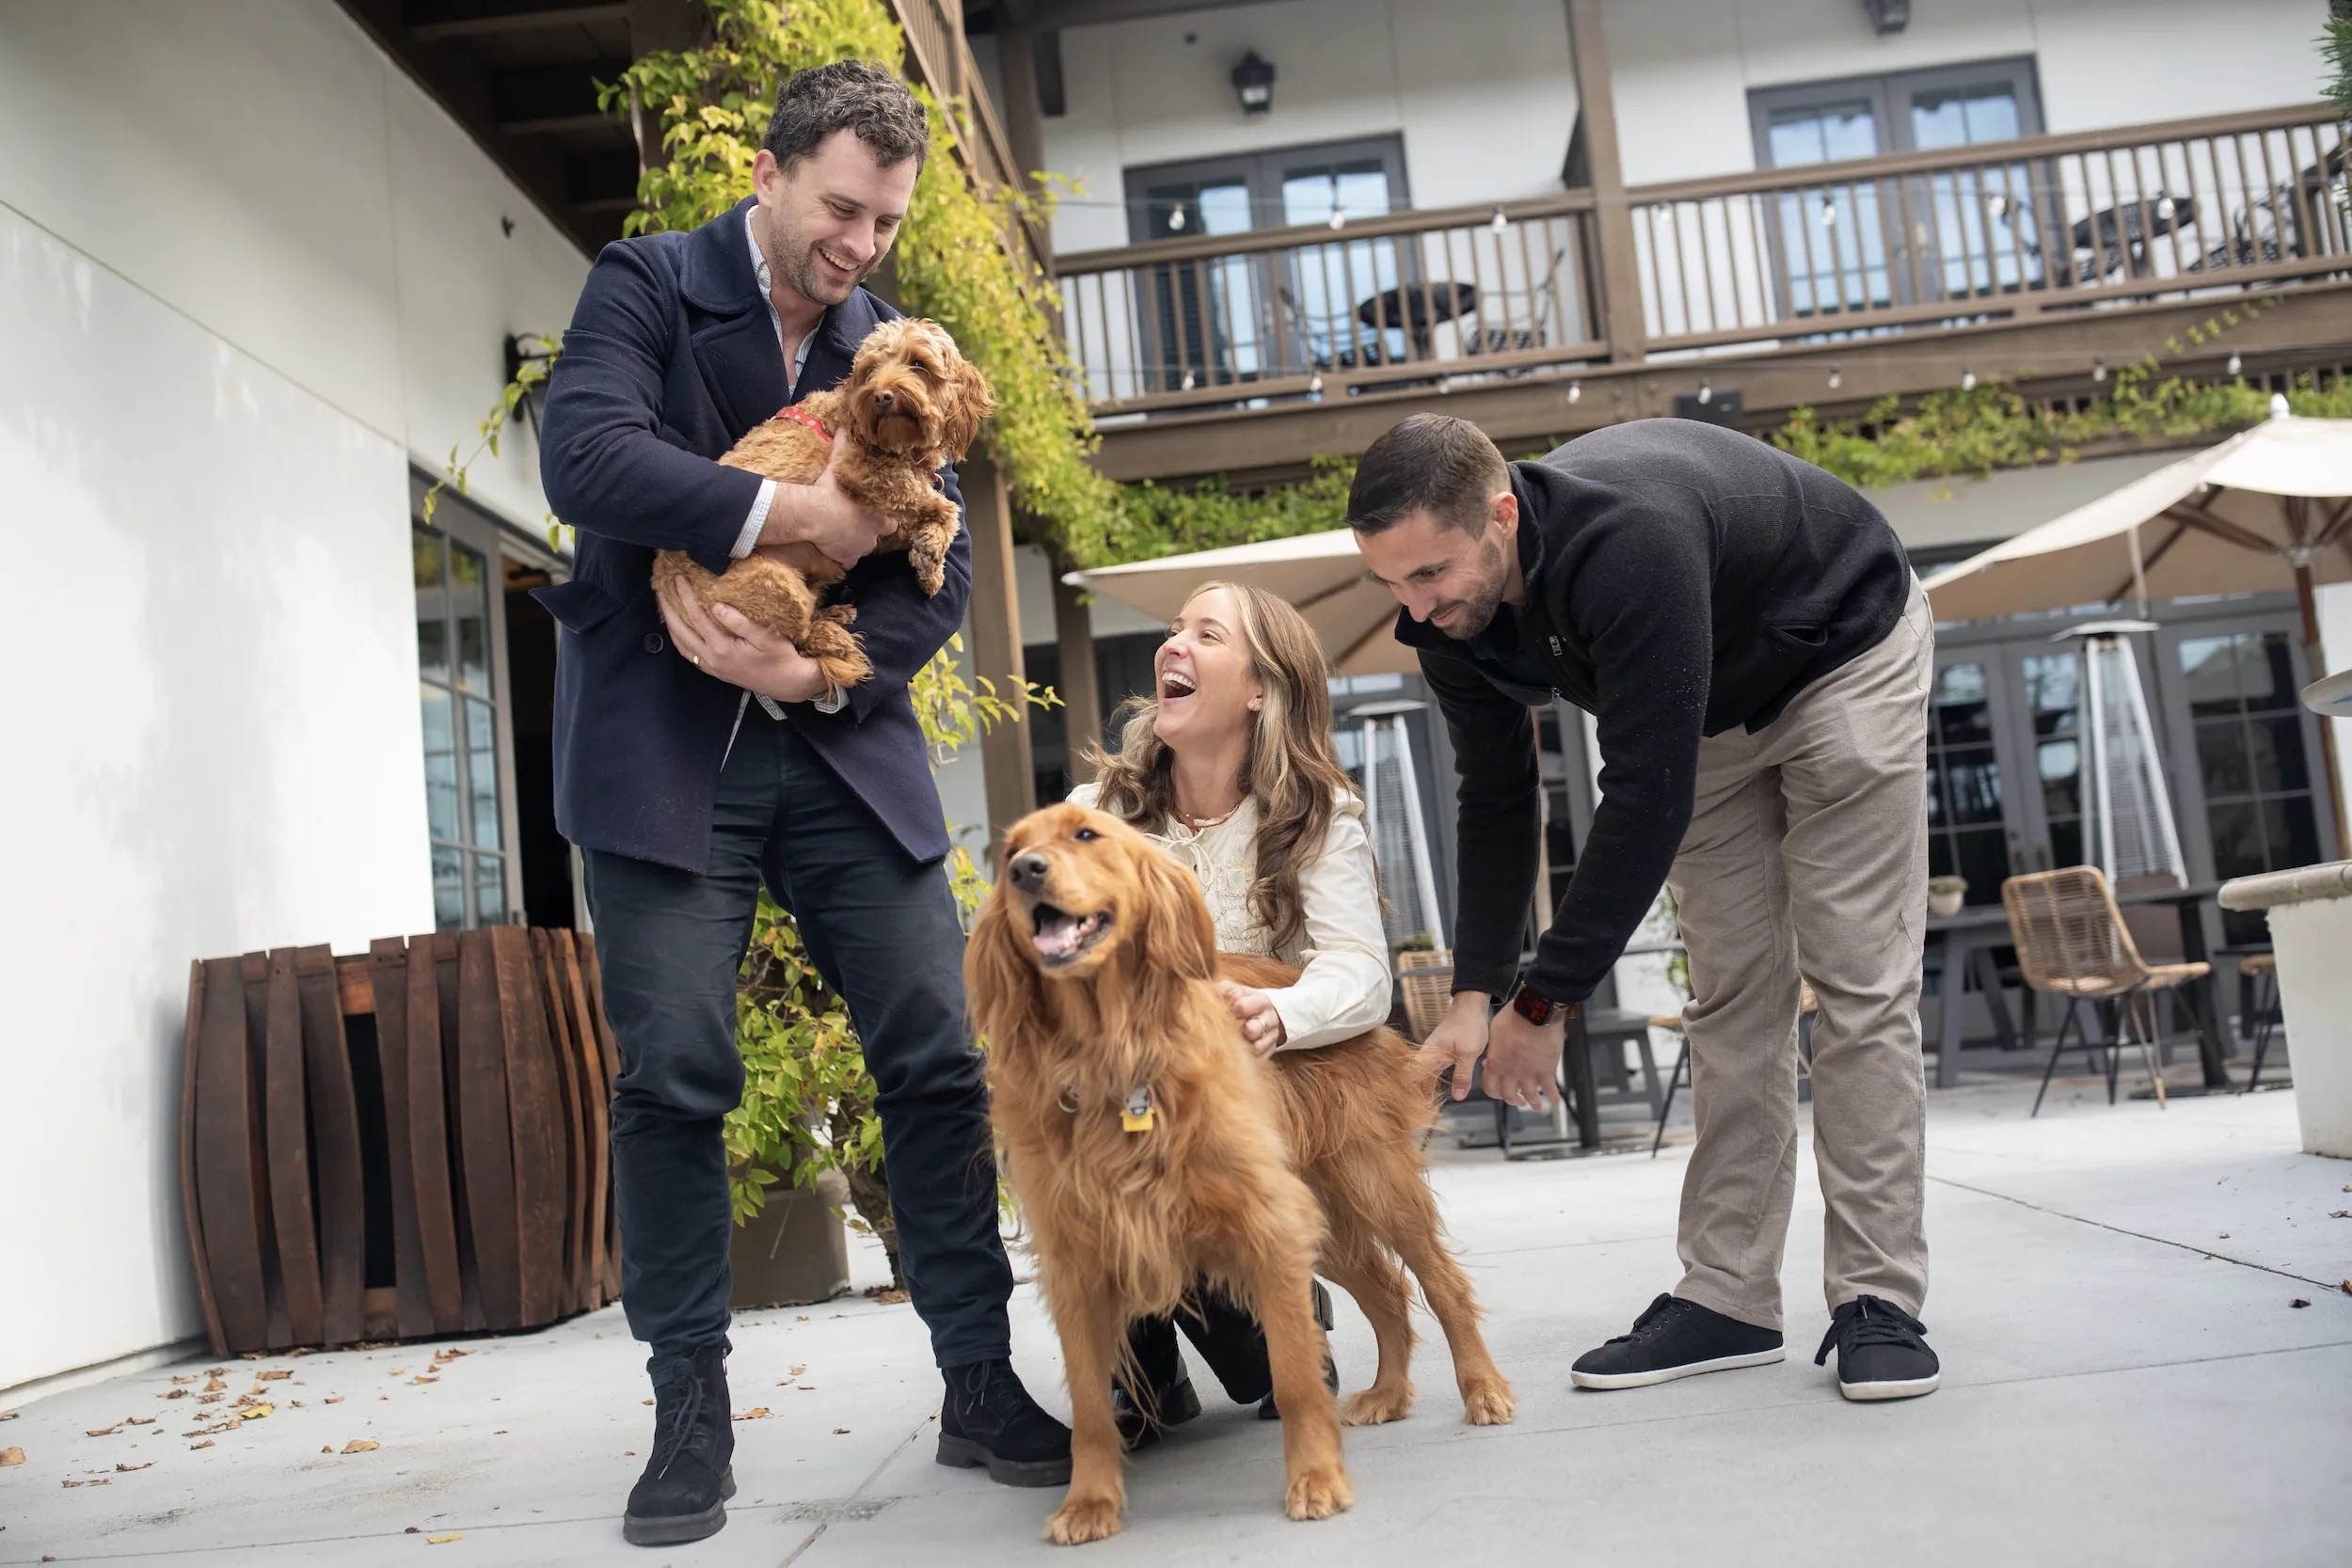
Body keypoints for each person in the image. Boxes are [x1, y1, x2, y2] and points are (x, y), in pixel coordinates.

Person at [534, 61, 1069, 1548]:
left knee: (937, 1057)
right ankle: (689, 1412)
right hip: (658, 749)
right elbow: (583, 459)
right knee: (676, 1076)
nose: (857, 245)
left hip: (838, 741)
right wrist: (797, 516)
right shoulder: (643, 284)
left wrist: (821, 670)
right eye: (839, 209)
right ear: (768, 174)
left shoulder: (888, 344)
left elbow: (944, 567)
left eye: (884, 223)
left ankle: (977, 1377)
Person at [1348, 413, 1942, 1402]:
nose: (1415, 607)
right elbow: (1496, 798)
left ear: (1501, 516)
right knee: (1733, 995)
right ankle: (1729, 1295)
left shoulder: (1627, 542)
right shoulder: (1443, 623)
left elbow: (1644, 797)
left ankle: (1877, 1297)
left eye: (1432, 573)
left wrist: (1542, 1004)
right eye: (1393, 582)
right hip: (1705, 709)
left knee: (1855, 983)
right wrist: (1473, 992)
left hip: (1841, 653)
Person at [1066, 581, 1391, 1444]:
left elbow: (1363, 971)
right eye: (1174, 630)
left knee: (1263, 1374)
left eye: (1206, 634)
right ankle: (1142, 1364)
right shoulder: (1098, 811)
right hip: (1126, 1098)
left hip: (1243, 1110)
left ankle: (1278, 1297)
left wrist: (1278, 1010)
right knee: (1113, 1151)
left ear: (1259, 688)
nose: (1173, 645)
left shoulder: (1314, 815)